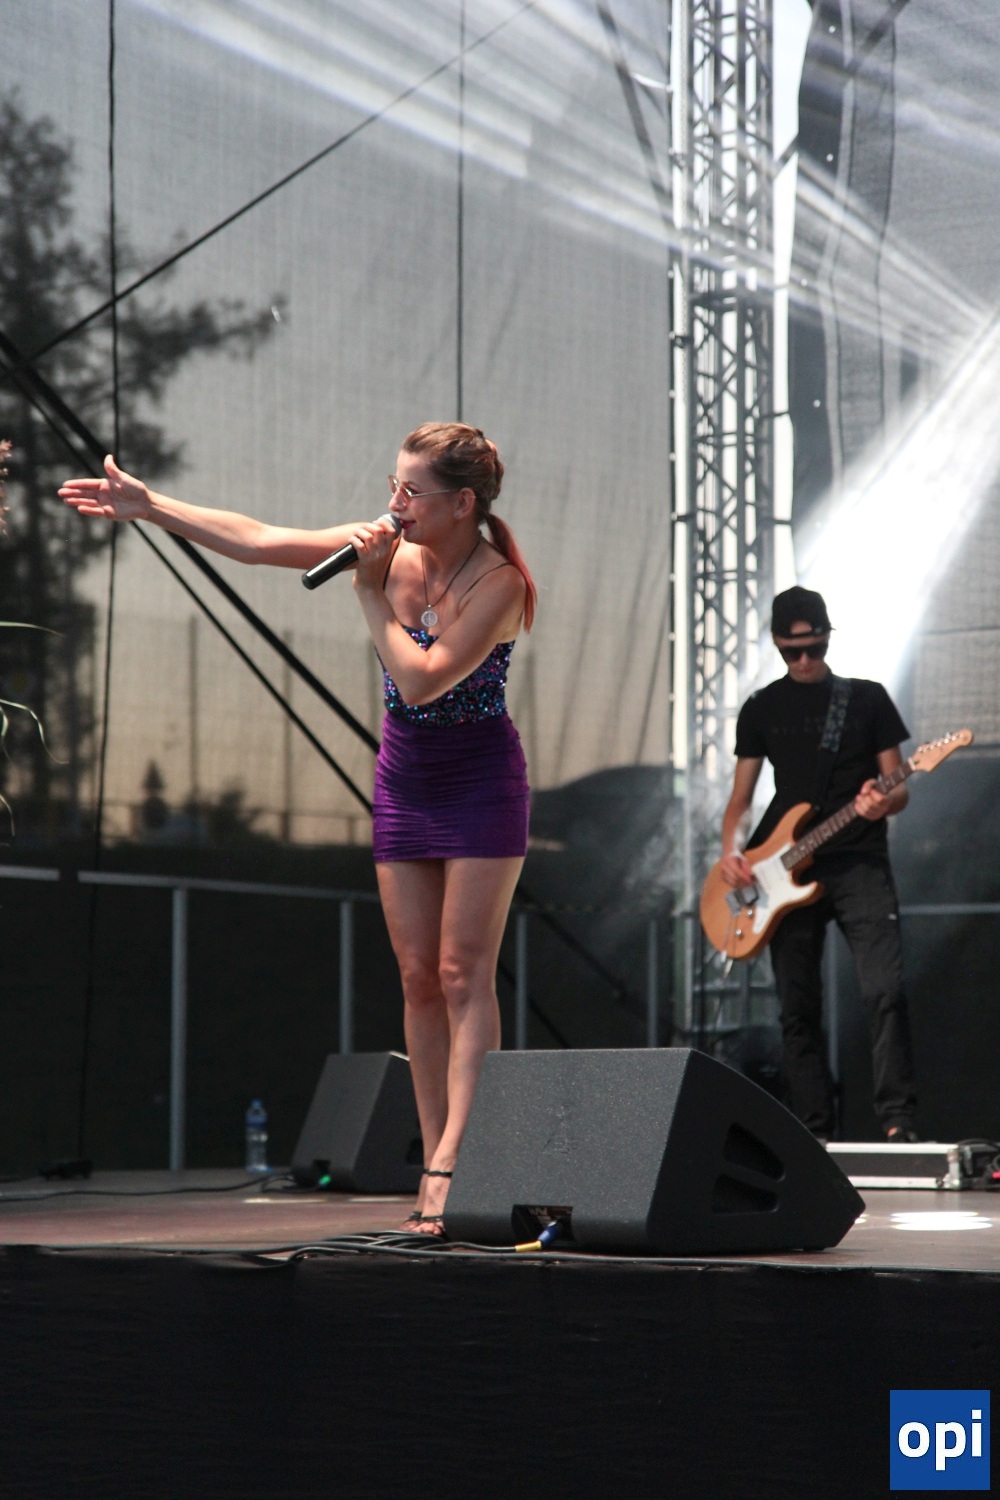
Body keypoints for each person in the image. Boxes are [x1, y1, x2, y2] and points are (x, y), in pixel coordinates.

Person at [60, 422, 536, 1233]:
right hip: (406, 782)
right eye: (392, 485)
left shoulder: (501, 585)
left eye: (412, 491)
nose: (395, 502)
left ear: (463, 504)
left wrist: (367, 594)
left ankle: (457, 1162)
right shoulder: (389, 548)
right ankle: (432, 1152)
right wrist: (150, 505)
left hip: (481, 784)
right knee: (418, 977)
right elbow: (255, 540)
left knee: (463, 972)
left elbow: (422, 680)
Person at [719, 585, 918, 1144]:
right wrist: (732, 850)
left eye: (814, 648)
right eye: (792, 651)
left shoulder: (868, 699)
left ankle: (898, 1121)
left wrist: (883, 801)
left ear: (829, 638)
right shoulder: (761, 708)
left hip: (859, 861)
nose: (805, 660)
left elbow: (899, 787)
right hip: (783, 869)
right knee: (797, 1007)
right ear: (777, 644)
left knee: (885, 990)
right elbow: (740, 802)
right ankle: (814, 1132)